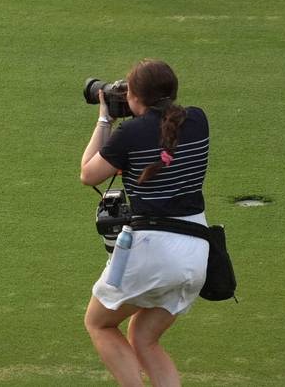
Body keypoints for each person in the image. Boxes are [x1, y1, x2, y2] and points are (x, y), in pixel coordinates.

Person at [79, 59, 210, 386]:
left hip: (150, 251)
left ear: (135, 98)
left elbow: (88, 174)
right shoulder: (198, 120)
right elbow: (163, 137)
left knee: (99, 323)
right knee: (143, 338)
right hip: (196, 255)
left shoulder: (130, 134)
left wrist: (105, 117)